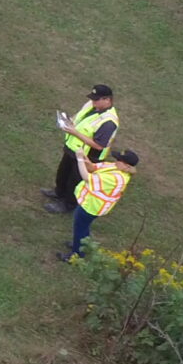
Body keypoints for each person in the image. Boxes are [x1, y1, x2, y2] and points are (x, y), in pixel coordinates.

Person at [44, 85, 119, 215]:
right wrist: (70, 121)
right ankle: (59, 192)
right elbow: (80, 116)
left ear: (107, 100)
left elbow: (98, 145)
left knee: (75, 181)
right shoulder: (92, 105)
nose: (93, 102)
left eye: (97, 100)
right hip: (73, 148)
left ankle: (68, 204)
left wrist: (74, 132)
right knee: (63, 173)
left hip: (87, 156)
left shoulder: (109, 122)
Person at [69, 147, 139, 259]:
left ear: (127, 166)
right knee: (83, 227)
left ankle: (76, 254)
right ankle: (82, 245)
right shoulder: (115, 167)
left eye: (119, 160)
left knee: (80, 228)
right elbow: (93, 168)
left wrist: (80, 160)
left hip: (91, 207)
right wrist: (85, 159)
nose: (116, 161)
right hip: (89, 203)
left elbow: (87, 177)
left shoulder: (117, 179)